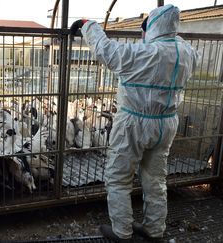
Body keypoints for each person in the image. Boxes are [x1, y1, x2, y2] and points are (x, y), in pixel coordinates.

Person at [71, 4, 197, 242]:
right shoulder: (186, 52)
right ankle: (154, 229)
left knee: (118, 177)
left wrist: (88, 26)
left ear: (153, 27)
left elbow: (106, 50)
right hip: (166, 123)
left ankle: (122, 232)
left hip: (135, 124)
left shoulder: (145, 53)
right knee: (155, 178)